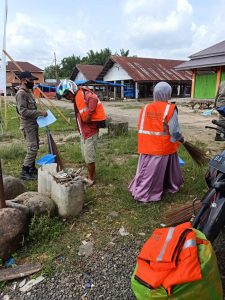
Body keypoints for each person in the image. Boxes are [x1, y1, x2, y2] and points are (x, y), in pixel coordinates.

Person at [129, 81, 184, 203]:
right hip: (161, 148)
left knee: (146, 171)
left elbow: (140, 126)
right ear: (168, 94)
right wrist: (180, 138)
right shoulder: (170, 109)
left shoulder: (146, 107)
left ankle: (162, 186)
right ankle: (143, 194)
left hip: (147, 146)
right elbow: (174, 131)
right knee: (151, 175)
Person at [56, 79, 106, 186]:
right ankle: (90, 174)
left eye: (67, 95)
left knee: (89, 157)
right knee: (86, 155)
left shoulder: (85, 94)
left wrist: (90, 114)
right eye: (65, 97)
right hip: (84, 132)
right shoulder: (78, 96)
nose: (67, 98)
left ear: (72, 89)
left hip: (90, 131)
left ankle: (91, 179)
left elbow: (94, 98)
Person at [16, 71, 47, 180]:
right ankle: (25, 171)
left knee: (36, 146)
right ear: (24, 80)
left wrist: (39, 113)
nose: (33, 82)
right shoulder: (21, 93)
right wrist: (39, 113)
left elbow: (31, 109)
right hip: (27, 126)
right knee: (32, 148)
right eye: (31, 80)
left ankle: (31, 169)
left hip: (33, 124)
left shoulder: (28, 92)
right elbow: (23, 111)